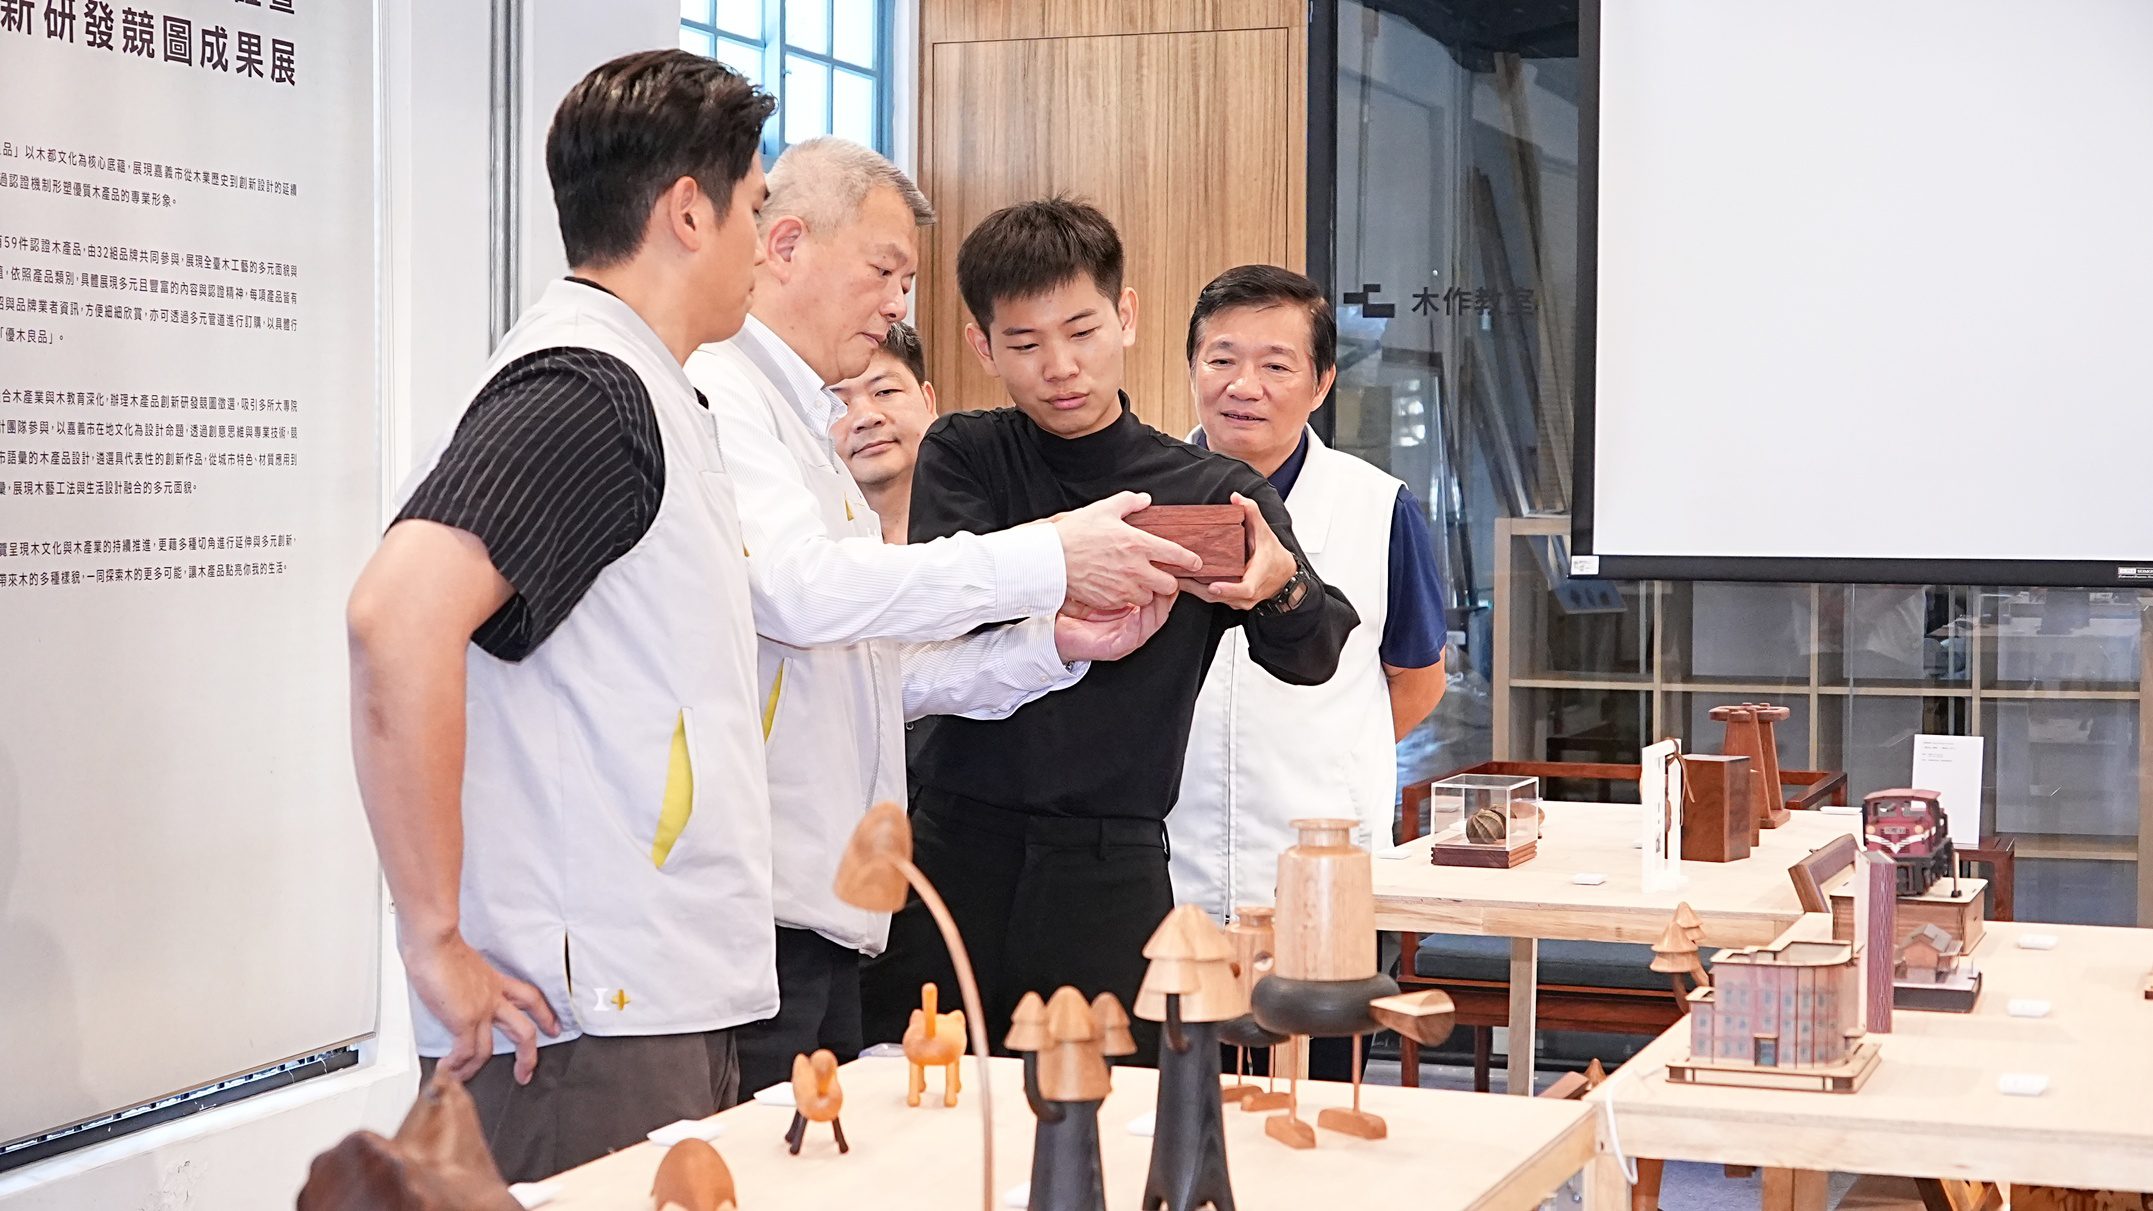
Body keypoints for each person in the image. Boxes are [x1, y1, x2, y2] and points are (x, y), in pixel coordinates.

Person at [345, 51, 778, 1182]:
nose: (763, 243)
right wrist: (433, 935)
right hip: (579, 1026)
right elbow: (395, 616)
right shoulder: (588, 389)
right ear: (689, 212)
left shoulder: (645, 384)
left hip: (634, 994)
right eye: (756, 207)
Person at [682, 143, 1190, 1096]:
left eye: (907, 284)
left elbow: (882, 670)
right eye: (885, 272)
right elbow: (799, 592)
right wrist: (1050, 557)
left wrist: (1050, 644)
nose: (895, 306)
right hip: (764, 898)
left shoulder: (802, 420)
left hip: (827, 903)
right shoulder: (722, 393)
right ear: (786, 245)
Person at [859, 198, 1361, 1060]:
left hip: (1110, 864)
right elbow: (953, 613)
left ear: (1125, 316)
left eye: (1082, 331)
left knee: (1111, 1110)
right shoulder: (965, 451)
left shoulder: (1209, 487)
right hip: (951, 844)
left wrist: (1277, 587)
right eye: (1024, 343)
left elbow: (1312, 653)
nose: (1059, 367)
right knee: (922, 1095)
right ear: (982, 346)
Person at [1169, 264, 1450, 1079]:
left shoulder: (1378, 506)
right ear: (1191, 366)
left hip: (1319, 880)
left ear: (1321, 382)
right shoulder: (1141, 495)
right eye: (1221, 359)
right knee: (1168, 1110)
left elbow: (1417, 679)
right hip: (1164, 866)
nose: (1243, 385)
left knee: (1312, 1105)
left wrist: (1331, 757)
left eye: (1275, 364)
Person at [829, 320, 936, 545]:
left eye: (885, 391)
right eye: (837, 405)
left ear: (928, 401)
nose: (866, 418)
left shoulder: (994, 524)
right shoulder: (801, 546)